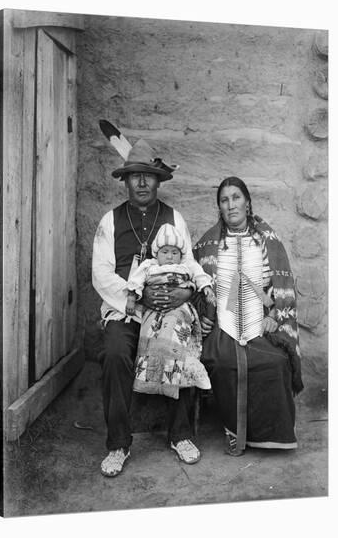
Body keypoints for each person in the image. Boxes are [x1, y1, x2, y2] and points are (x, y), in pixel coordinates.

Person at [92, 138, 202, 477]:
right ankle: (118, 444)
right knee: (113, 352)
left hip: (167, 307)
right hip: (126, 308)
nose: (142, 183)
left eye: (148, 176)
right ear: (125, 181)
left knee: (179, 344)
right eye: (135, 176)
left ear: (158, 180)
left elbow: (190, 266)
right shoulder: (109, 221)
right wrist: (137, 297)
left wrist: (182, 294)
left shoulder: (174, 218)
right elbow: (100, 273)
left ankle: (180, 435)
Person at [193, 176, 304, 456]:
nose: (231, 205)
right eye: (224, 200)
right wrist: (202, 315)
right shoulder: (207, 245)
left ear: (247, 201)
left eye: (236, 197)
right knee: (223, 360)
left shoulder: (269, 241)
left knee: (276, 361)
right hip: (223, 322)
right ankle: (234, 428)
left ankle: (270, 432)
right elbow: (193, 285)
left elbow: (282, 287)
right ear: (219, 207)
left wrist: (274, 316)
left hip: (261, 321)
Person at [126, 223, 214, 399]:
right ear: (156, 253)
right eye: (165, 252)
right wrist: (131, 298)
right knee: (151, 337)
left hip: (179, 308)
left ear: (180, 255)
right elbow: (135, 281)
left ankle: (183, 374)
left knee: (173, 336)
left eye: (174, 253)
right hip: (154, 309)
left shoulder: (185, 265)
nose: (169, 257)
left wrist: (206, 288)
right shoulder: (149, 265)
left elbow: (199, 274)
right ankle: (148, 379)